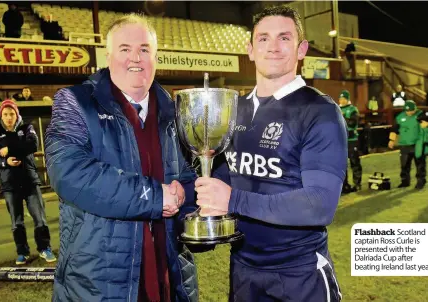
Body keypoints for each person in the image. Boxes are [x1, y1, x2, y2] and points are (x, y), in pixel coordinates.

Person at [194, 6, 346, 302]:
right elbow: (222, 181)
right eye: (263, 38)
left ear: (301, 49)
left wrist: (233, 200)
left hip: (299, 274)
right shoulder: (232, 110)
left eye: (284, 38)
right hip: (243, 270)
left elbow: (320, 204)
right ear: (250, 49)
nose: (273, 47)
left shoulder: (320, 111)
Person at [44, 13, 199, 302]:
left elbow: (189, 176)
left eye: (144, 49)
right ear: (108, 55)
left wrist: (190, 198)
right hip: (100, 281)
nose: (135, 58)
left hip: (168, 272)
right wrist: (155, 198)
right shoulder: (75, 101)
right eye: (125, 49)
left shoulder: (174, 110)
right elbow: (69, 173)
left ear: (156, 56)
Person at [0, 100, 56, 265]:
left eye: (12, 113)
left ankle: (44, 248)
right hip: (10, 184)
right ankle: (22, 252)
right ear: (1, 116)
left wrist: (9, 149)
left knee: (39, 217)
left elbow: (32, 145)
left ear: (17, 114)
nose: (9, 117)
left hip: (29, 180)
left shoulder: (27, 128)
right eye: (5, 114)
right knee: (16, 221)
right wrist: (6, 163)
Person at [388, 100, 426, 189]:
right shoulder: (399, 117)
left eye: (411, 110)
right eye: (407, 111)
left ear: (415, 109)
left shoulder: (421, 115)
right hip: (404, 144)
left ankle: (421, 181)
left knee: (420, 164)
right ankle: (405, 181)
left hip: (418, 144)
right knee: (404, 165)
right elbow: (394, 129)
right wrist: (391, 140)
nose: (409, 112)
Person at [338, 90, 362, 193]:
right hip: (339, 140)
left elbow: (352, 123)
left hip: (351, 139)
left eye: (344, 98)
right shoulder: (336, 109)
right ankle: (345, 185)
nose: (342, 100)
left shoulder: (353, 109)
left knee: (354, 162)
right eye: (341, 98)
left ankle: (357, 184)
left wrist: (341, 117)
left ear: (347, 99)